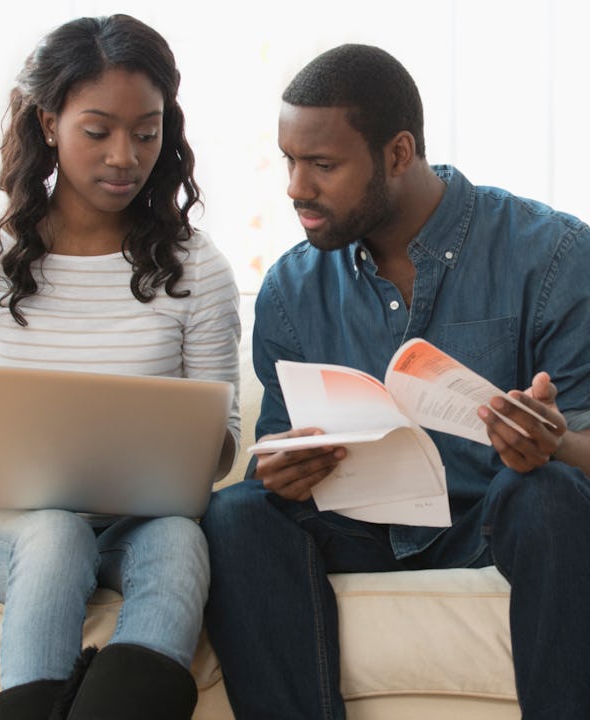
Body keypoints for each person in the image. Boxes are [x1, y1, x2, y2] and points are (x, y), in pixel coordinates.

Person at [201, 43, 590, 719]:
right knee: (237, 514)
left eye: (322, 165)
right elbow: (275, 455)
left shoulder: (552, 254)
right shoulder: (291, 289)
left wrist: (552, 443)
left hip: (492, 528)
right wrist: (285, 469)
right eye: (290, 160)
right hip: (360, 530)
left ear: (398, 153)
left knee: (550, 492)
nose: (296, 187)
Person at [0, 14, 240, 720]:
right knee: (56, 529)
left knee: (177, 538)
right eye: (99, 130)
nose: (125, 156)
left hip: (139, 522)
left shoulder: (196, 267)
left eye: (147, 131)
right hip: (6, 529)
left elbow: (223, 445)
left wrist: (188, 444)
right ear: (49, 123)